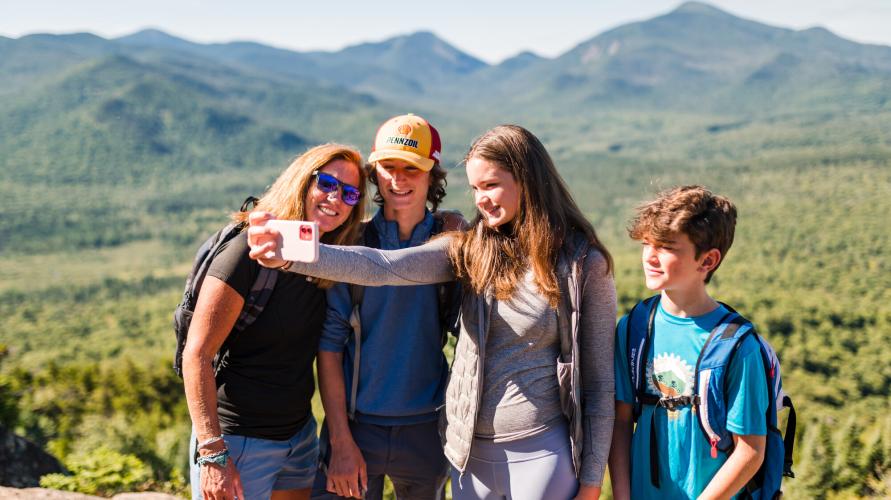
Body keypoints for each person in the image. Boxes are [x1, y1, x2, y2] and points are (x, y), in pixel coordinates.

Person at [248, 125, 616, 500]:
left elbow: (600, 385)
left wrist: (590, 483)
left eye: (490, 185)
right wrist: (293, 253)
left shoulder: (582, 264)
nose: (482, 201)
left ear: (528, 179)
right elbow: (385, 266)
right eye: (475, 189)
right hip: (469, 457)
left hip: (541, 452)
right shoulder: (471, 249)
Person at [183, 144, 368, 500]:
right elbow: (197, 355)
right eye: (327, 183)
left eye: (349, 193)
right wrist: (213, 453)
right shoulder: (247, 251)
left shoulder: (323, 256)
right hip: (238, 441)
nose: (336, 198)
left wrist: (449, 222)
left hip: (298, 438)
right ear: (302, 181)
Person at [312, 114, 461, 500]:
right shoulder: (352, 242)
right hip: (356, 428)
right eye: (388, 167)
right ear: (375, 173)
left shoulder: (455, 246)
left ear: (433, 174)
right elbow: (328, 348)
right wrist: (341, 441)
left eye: (412, 168)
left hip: (428, 429)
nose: (399, 179)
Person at [607, 186, 768, 499]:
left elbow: (750, 452)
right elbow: (621, 422)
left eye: (666, 247)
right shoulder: (633, 329)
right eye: (646, 244)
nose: (650, 257)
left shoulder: (737, 346)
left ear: (707, 260)